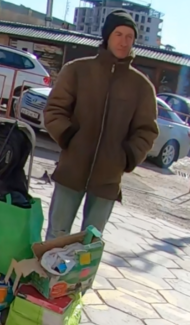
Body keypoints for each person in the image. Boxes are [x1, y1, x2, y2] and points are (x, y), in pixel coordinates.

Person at [42, 10, 158, 240]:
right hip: (71, 170)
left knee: (90, 244)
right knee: (57, 234)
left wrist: (126, 156)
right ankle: (48, 277)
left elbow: (147, 131)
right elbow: (54, 110)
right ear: (107, 36)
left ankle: (81, 279)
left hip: (107, 179)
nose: (124, 42)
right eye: (118, 34)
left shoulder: (141, 87)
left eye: (129, 37)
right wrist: (69, 137)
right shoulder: (77, 70)